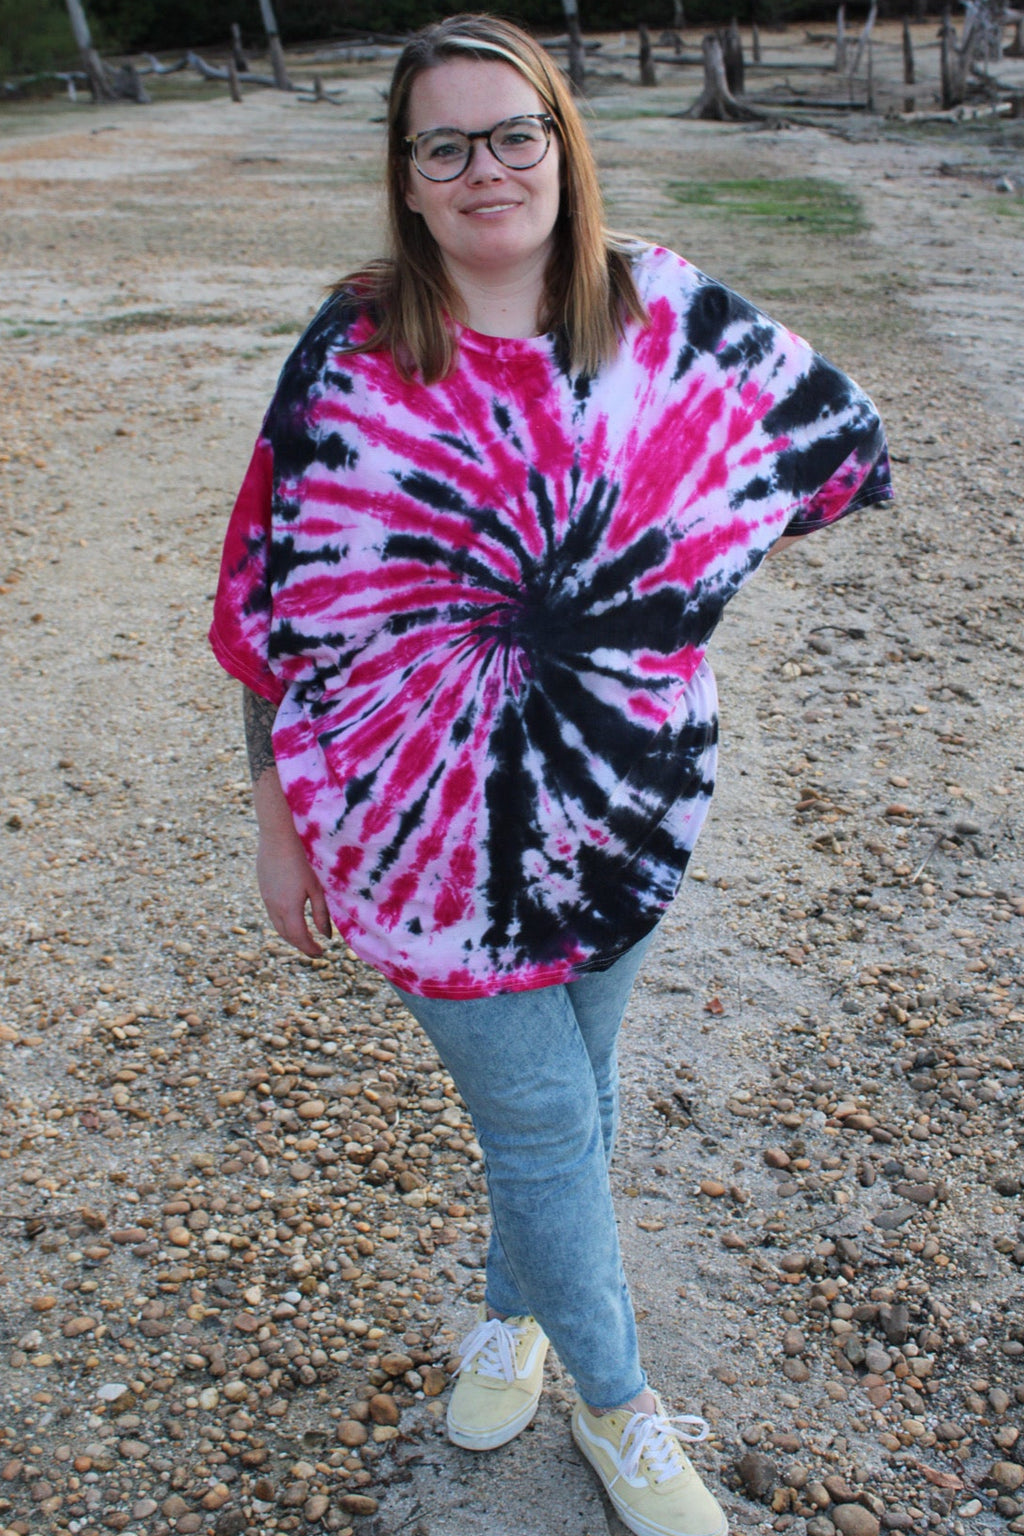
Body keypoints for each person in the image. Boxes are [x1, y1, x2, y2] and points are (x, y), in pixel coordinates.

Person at [210, 14, 892, 1535]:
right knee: (540, 1127)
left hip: (624, 798)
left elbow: (822, 442)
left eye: (514, 133)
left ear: (562, 143)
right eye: (444, 144)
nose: (484, 168)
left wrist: (658, 592)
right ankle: (622, 1405)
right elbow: (266, 596)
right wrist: (273, 823)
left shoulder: (655, 307)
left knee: (572, 1108)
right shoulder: (354, 346)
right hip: (408, 828)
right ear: (406, 174)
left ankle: (514, 1315)